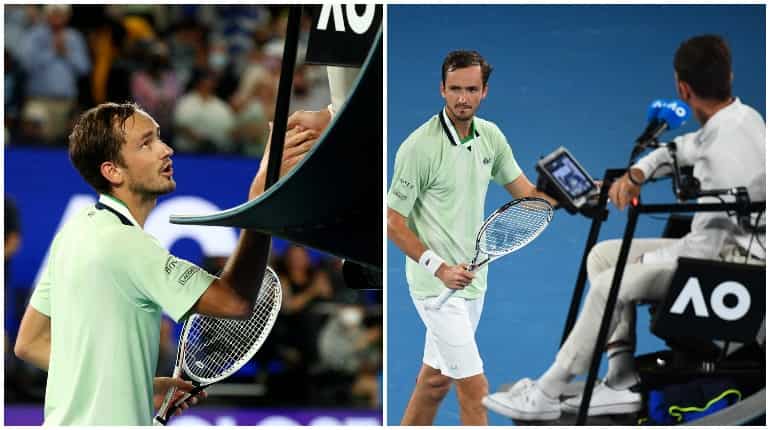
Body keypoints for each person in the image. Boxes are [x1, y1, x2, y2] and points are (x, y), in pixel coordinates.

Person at [484, 34, 765, 421]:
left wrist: (651, 258)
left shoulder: (725, 154)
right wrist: (637, 172)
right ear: (729, 76)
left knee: (610, 282)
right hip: (719, 250)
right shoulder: (742, 117)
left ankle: (548, 390)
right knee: (603, 256)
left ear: (683, 88)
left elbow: (706, 249)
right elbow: (684, 148)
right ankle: (621, 376)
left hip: (736, 270)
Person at [13, 102, 320, 425]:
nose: (166, 149)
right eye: (147, 143)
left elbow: (30, 342)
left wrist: (133, 385)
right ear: (112, 170)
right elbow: (234, 301)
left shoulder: (75, 232)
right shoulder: (127, 244)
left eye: (159, 138)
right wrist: (261, 196)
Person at [386, 50, 556, 426]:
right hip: (436, 287)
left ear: (484, 92)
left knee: (434, 383)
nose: (463, 98)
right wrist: (440, 268)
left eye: (471, 89)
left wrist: (570, 194)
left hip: (472, 283)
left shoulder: (490, 137)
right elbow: (393, 222)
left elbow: (527, 195)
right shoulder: (418, 147)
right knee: (475, 391)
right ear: (442, 90)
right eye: (455, 89)